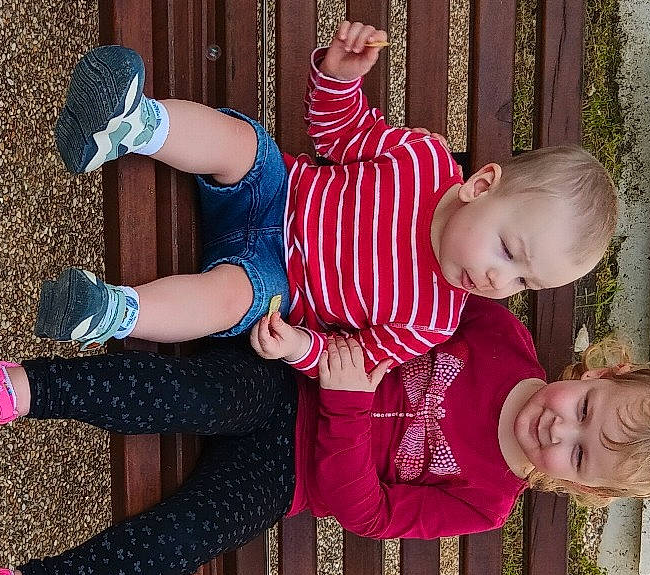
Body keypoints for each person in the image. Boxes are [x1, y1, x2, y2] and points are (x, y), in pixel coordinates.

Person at [0, 299, 650, 575]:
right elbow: (401, 296)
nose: (560, 428)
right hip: (280, 375)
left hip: (286, 476)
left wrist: (351, 408)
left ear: (584, 489)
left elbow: (364, 511)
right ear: (601, 373)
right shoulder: (499, 333)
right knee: (177, 392)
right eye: (586, 409)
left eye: (579, 454)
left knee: (174, 546)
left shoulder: (487, 501)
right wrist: (325, 354)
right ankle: (3, 391)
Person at [33, 24, 618, 376]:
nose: (498, 281)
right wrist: (340, 77)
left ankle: (111, 313)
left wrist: (299, 348)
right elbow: (339, 136)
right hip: (280, 189)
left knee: (230, 302)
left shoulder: (433, 319)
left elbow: (355, 358)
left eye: (523, 284)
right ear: (481, 186)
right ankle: (131, 125)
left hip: (276, 280)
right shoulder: (422, 160)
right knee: (243, 144)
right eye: (508, 252)